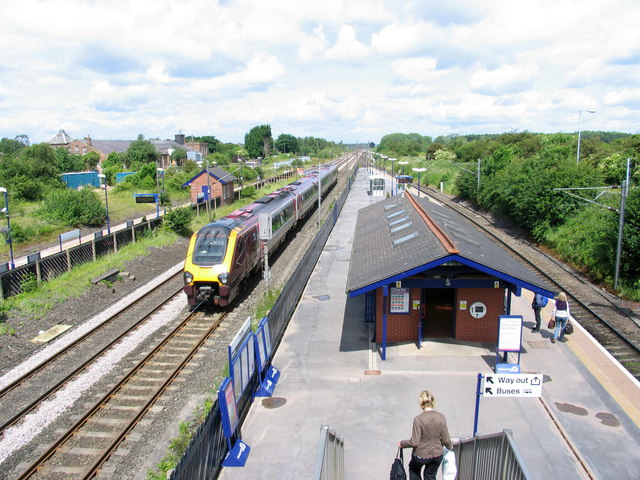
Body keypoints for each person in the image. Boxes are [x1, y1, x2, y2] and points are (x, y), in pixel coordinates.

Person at [399, 390, 452, 480]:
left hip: (421, 455)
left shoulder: (418, 419)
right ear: (433, 402)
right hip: (437, 454)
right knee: (430, 475)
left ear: (421, 404)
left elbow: (414, 442)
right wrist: (450, 446)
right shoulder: (441, 417)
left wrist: (402, 443)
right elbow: (446, 440)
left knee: (414, 469)